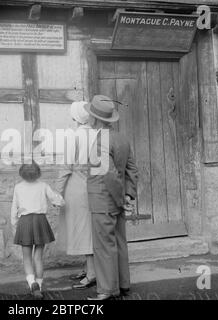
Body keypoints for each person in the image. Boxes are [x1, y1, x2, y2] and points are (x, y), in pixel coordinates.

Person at [84, 95, 138, 301]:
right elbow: (132, 169)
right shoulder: (122, 138)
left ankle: (107, 290)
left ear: (96, 119)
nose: (89, 118)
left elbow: (109, 174)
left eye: (91, 115)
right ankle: (123, 284)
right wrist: (127, 195)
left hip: (103, 201)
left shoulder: (99, 142)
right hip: (117, 199)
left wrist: (118, 199)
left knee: (104, 245)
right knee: (119, 242)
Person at [55, 101, 96, 290]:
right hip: (92, 186)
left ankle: (92, 273)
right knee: (87, 228)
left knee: (82, 230)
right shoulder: (96, 135)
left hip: (76, 188)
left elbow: (65, 168)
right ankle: (88, 267)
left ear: (76, 118)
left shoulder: (74, 138)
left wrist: (58, 192)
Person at [11, 161, 65, 299]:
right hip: (40, 221)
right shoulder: (43, 186)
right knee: (38, 257)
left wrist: (14, 224)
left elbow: (14, 208)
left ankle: (31, 283)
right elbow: (56, 200)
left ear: (21, 173)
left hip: (24, 222)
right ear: (38, 173)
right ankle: (39, 287)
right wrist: (60, 201)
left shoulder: (18, 187)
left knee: (27, 257)